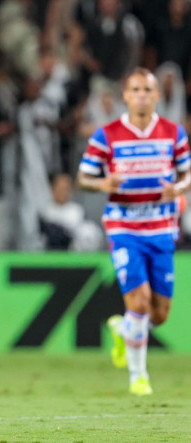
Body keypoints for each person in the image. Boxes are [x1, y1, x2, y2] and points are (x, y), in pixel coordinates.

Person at [77, 67, 190, 396]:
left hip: (162, 228)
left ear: (157, 96)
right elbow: (84, 177)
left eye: (147, 90)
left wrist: (179, 189)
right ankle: (139, 378)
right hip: (124, 228)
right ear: (126, 95)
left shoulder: (173, 132)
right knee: (139, 302)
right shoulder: (107, 134)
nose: (141, 95)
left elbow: (187, 173)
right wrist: (102, 182)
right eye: (136, 89)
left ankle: (122, 328)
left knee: (160, 314)